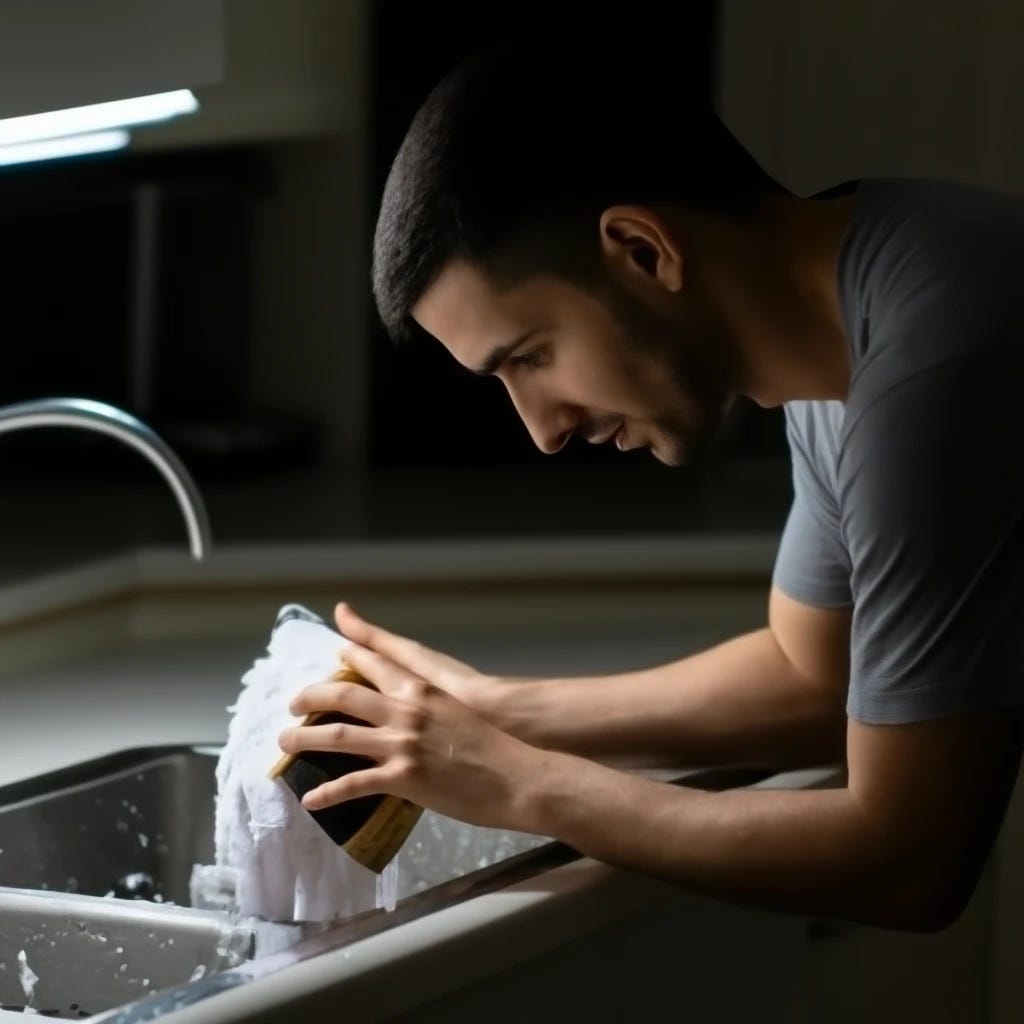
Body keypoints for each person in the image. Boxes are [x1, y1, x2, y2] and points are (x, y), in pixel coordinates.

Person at [277, 43, 1024, 932]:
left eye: (531, 356)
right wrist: (499, 711)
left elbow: (910, 860)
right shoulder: (862, 315)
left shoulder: (938, 369)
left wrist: (523, 782)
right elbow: (816, 678)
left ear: (641, 248)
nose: (543, 430)